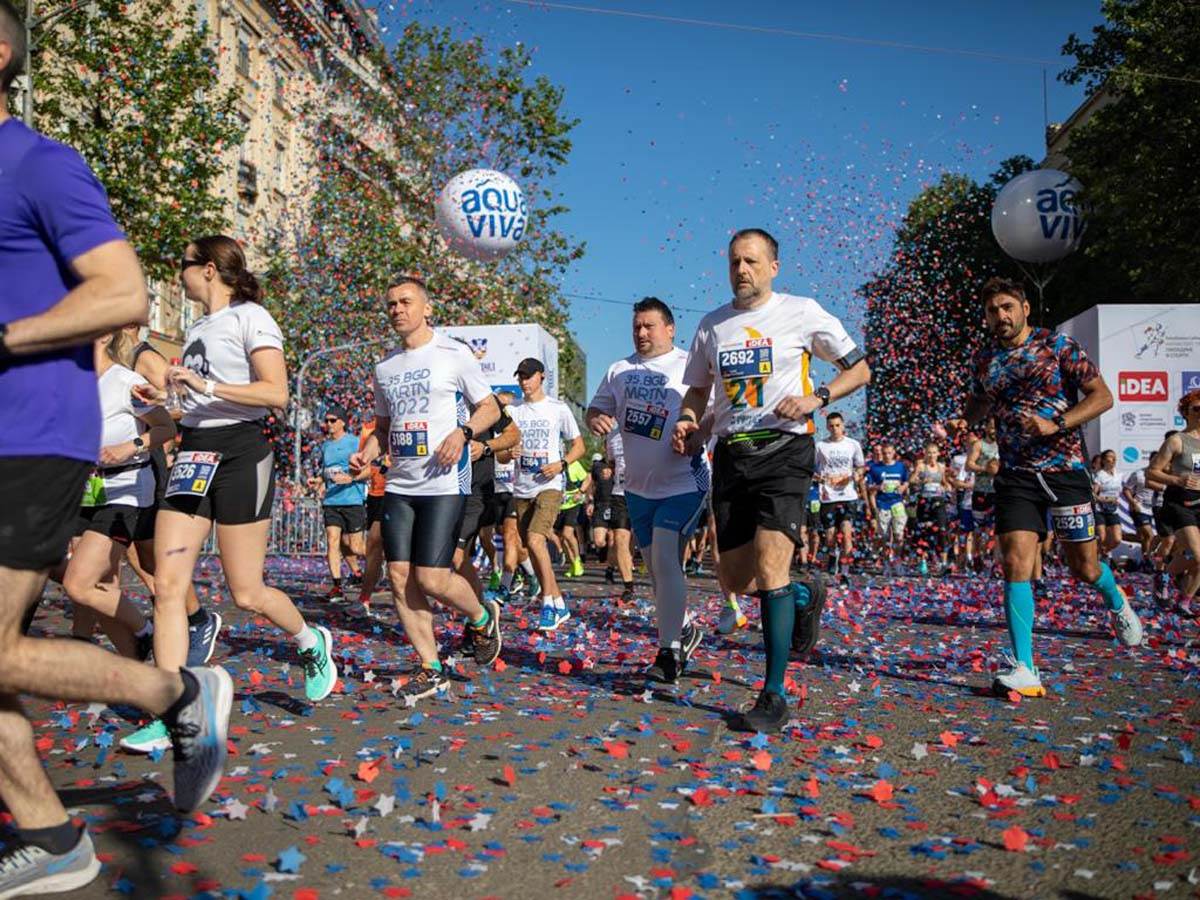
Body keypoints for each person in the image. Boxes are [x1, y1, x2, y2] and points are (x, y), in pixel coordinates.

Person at [0, 19, 230, 889]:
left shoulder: (38, 163)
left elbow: (122, 289)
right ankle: (52, 839)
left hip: (29, 431)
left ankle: (175, 693)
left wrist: (6, 335)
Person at [123, 235, 337, 754]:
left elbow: (275, 393)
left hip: (242, 452)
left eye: (185, 265)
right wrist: (164, 397)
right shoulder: (197, 326)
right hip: (194, 452)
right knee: (168, 586)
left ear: (210, 270)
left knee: (246, 592)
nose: (179, 275)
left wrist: (207, 386)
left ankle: (311, 644)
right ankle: (170, 709)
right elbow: (190, 400)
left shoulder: (251, 318)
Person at [673, 228, 869, 732]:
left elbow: (860, 369)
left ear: (774, 267)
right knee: (736, 579)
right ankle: (805, 596)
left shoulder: (802, 312)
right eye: (735, 261)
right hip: (733, 457)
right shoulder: (712, 326)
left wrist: (818, 398)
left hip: (786, 450)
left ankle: (773, 693)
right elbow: (697, 392)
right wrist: (689, 423)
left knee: (771, 563)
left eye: (752, 262)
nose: (742, 270)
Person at [946, 276, 1143, 699]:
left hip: (1065, 471)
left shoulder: (1057, 347)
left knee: (1084, 567)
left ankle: (1116, 601)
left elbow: (1102, 396)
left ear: (1024, 309)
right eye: (992, 311)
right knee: (1015, 562)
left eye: (1007, 307)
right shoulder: (984, 361)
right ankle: (1025, 668)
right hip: (1016, 475)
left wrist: (1057, 423)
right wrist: (969, 417)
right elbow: (981, 399)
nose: (1000, 316)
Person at [349, 277, 503, 703]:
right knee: (398, 578)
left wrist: (465, 431)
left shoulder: (453, 354)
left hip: (442, 481)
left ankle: (479, 615)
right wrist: (368, 454)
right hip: (399, 484)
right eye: (391, 303)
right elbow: (383, 428)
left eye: (406, 301)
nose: (397, 309)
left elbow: (490, 406)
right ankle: (430, 667)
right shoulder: (384, 367)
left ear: (427, 308)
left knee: (432, 578)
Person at [587, 297, 710, 684]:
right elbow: (595, 410)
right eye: (636, 326)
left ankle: (668, 653)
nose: (641, 333)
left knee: (664, 557)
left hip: (684, 481)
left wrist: (694, 434)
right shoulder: (619, 370)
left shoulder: (689, 364)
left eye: (649, 326)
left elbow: (713, 412)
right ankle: (685, 628)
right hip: (637, 487)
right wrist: (597, 419)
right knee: (657, 568)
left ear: (670, 329)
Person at [61, 332, 175, 660]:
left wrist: (129, 447)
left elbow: (166, 428)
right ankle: (134, 667)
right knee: (104, 586)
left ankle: (148, 633)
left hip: (126, 492)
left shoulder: (127, 382)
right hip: (86, 491)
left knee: (79, 583)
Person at [122, 329, 223, 664]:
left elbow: (182, 404)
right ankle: (172, 618)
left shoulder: (144, 356)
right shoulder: (111, 358)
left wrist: (141, 406)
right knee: (139, 556)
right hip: (122, 464)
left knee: (152, 555)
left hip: (145, 463)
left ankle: (193, 618)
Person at [506, 357, 585, 632]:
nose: (524, 382)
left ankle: (549, 604)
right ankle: (557, 602)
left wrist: (561, 464)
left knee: (536, 539)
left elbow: (579, 446)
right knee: (531, 546)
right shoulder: (513, 411)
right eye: (520, 377)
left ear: (541, 377)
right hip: (522, 487)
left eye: (528, 376)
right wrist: (509, 452)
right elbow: (504, 451)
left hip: (549, 485)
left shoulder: (557, 408)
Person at [451, 383, 520, 609]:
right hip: (442, 489)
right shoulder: (440, 396)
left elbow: (513, 434)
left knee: (458, 553)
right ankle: (474, 611)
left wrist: (486, 447)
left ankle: (481, 615)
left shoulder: (486, 400)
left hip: (477, 490)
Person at [1147, 390, 1200, 614]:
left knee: (1195, 557)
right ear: (1186, 413)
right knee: (1198, 555)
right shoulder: (1177, 440)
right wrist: (1177, 479)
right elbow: (1152, 472)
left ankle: (1184, 599)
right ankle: (1165, 575)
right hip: (1180, 503)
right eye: (1196, 408)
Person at [312, 405, 366, 600]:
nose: (328, 424)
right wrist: (318, 480)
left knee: (355, 547)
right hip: (331, 500)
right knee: (332, 541)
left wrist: (351, 477)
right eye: (326, 420)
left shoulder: (355, 442)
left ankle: (381, 562)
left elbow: (367, 468)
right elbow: (326, 471)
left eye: (333, 420)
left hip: (352, 499)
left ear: (343, 422)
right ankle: (337, 587)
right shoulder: (325, 446)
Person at [814, 412, 865, 579]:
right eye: (831, 426)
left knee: (846, 533)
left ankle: (845, 572)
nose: (835, 429)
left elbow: (860, 467)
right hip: (828, 497)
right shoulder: (820, 446)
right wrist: (821, 478)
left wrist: (857, 475)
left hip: (848, 495)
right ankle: (833, 556)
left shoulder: (853, 444)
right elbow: (811, 470)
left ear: (843, 426)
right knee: (830, 537)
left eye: (838, 425)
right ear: (827, 427)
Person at [356, 417, 389, 616]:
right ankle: (364, 600)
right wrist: (352, 475)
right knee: (373, 544)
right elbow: (365, 465)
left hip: (406, 490)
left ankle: (433, 598)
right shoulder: (367, 428)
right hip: (377, 494)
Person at [605, 428, 637, 604]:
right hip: (620, 493)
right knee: (619, 538)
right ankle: (628, 587)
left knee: (650, 540)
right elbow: (611, 462)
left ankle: (663, 581)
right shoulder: (612, 435)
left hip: (645, 491)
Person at [865, 443, 909, 573]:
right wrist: (878, 487)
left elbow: (906, 481)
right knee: (883, 535)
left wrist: (903, 487)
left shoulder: (900, 466)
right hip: (882, 504)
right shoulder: (875, 468)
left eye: (889, 453)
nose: (886, 456)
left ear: (894, 452)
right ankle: (885, 562)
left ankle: (897, 560)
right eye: (884, 453)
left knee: (898, 534)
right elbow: (869, 487)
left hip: (898, 504)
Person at [910, 441, 952, 575]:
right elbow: (911, 480)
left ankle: (943, 563)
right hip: (924, 501)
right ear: (925, 453)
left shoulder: (941, 466)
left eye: (934, 452)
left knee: (942, 530)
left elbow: (944, 482)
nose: (932, 455)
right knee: (924, 531)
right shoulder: (921, 466)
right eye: (929, 452)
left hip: (938, 501)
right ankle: (923, 562)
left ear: (938, 453)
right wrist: (922, 481)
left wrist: (947, 487)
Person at [966, 418, 1000, 572]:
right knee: (979, 530)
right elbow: (969, 464)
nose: (994, 431)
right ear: (986, 428)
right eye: (991, 427)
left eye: (996, 427)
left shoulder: (1004, 444)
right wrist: (985, 468)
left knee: (998, 529)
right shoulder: (979, 444)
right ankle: (977, 558)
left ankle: (996, 562)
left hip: (1000, 492)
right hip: (982, 491)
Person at [555, 458, 591, 579]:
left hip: (573, 504)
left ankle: (577, 560)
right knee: (562, 538)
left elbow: (588, 478)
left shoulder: (574, 463)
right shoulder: (553, 464)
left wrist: (580, 492)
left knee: (567, 533)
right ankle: (572, 564)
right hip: (558, 506)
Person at [1092, 449, 1124, 559]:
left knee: (1117, 539)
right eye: (1110, 457)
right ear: (1104, 460)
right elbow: (1093, 495)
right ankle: (1098, 559)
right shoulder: (1100, 475)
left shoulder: (1118, 475)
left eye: (1114, 457)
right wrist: (1106, 499)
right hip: (1100, 510)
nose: (1113, 459)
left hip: (1113, 510)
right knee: (1102, 537)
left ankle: (1103, 552)